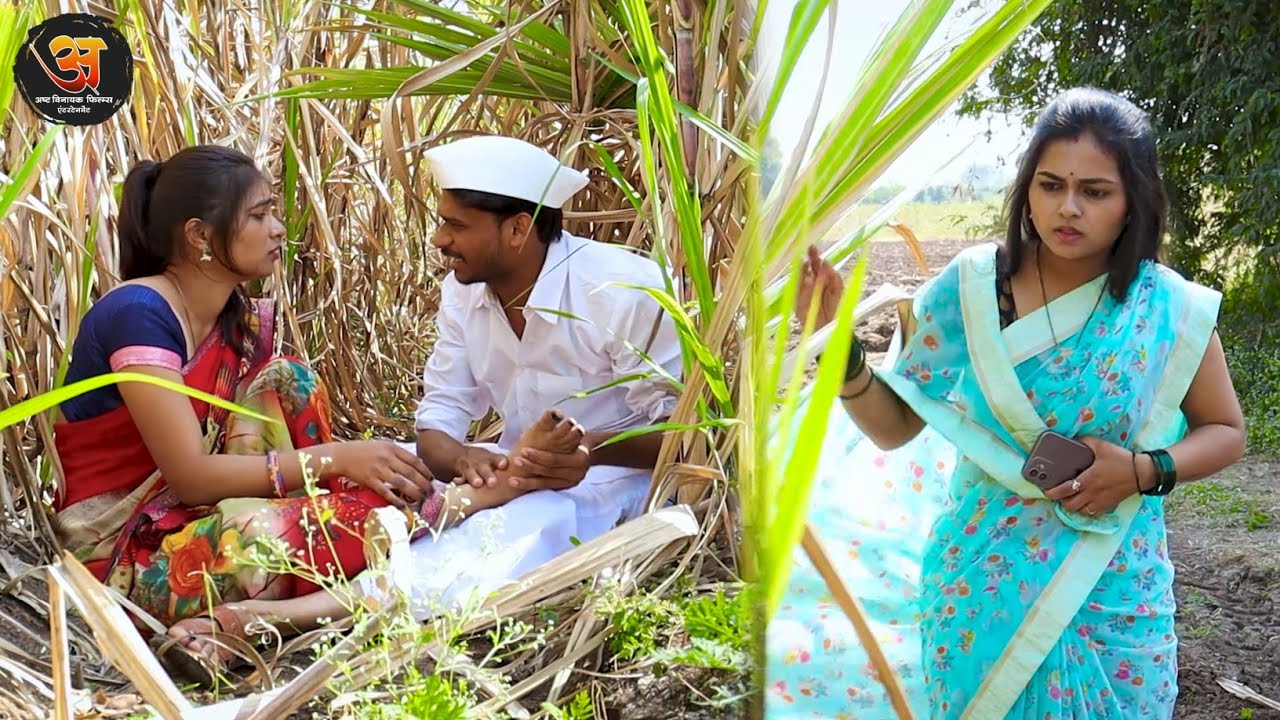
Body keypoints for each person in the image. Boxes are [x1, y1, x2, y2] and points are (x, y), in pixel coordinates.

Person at [766, 87, 1246, 719]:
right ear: (1027, 190)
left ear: (1134, 201)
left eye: (1095, 191)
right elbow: (894, 427)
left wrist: (1142, 470)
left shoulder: (1169, 310)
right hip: (979, 583)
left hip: (1112, 585)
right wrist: (842, 351)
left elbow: (1226, 431)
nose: (1067, 207)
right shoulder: (970, 289)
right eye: (1050, 185)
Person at [52, 145, 572, 683]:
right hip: (128, 555)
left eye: (274, 211)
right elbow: (188, 477)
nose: (278, 229)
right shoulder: (139, 314)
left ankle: (354, 533)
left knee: (291, 385)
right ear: (200, 236)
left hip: (203, 521)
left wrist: (343, 464)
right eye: (258, 216)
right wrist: (339, 458)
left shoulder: (237, 322)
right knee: (329, 523)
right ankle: (489, 491)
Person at [374, 133, 684, 616]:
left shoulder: (621, 291)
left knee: (499, 539)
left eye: (455, 226)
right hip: (511, 468)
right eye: (442, 223)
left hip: (608, 480)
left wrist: (587, 450)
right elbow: (442, 412)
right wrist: (461, 458)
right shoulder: (462, 293)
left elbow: (684, 432)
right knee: (382, 472)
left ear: (518, 229)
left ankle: (336, 605)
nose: (440, 241)